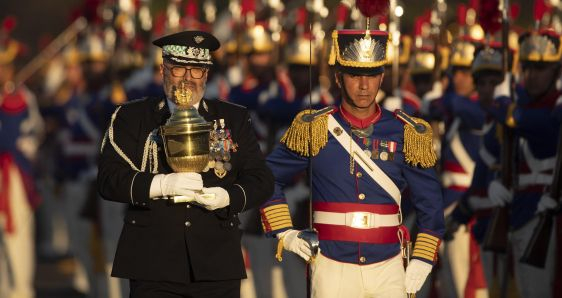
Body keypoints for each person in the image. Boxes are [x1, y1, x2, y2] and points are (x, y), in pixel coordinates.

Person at [259, 28, 445, 297]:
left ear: (381, 77)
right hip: (331, 262)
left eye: (371, 76)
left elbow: (430, 200)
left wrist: (423, 256)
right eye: (354, 75)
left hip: (389, 263)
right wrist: (285, 232)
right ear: (338, 77)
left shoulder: (406, 131)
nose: (364, 85)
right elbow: (267, 176)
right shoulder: (314, 127)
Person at [97, 30, 274, 297]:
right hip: (152, 262)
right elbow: (109, 179)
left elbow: (261, 180)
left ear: (207, 74)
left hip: (216, 262)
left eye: (197, 70)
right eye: (179, 69)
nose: (188, 79)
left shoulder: (232, 118)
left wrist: (227, 196)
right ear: (163, 69)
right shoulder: (132, 116)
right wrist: (161, 184)